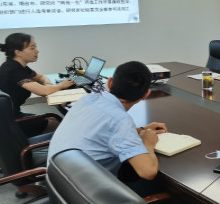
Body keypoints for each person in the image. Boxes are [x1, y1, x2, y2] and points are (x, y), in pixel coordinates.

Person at [47, 61, 167, 192]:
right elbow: (148, 172)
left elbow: (104, 132)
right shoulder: (121, 120)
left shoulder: (88, 99)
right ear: (145, 95)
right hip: (84, 195)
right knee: (160, 186)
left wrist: (142, 130)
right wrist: (148, 143)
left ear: (109, 83)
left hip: (57, 181)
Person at [0, 33, 75, 137]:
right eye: (32, 48)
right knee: (59, 124)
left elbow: (41, 77)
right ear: (18, 52)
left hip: (2, 118)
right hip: (7, 123)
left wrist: (48, 84)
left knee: (53, 118)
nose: (37, 51)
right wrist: (61, 86)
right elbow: (43, 91)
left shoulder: (16, 66)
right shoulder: (14, 70)